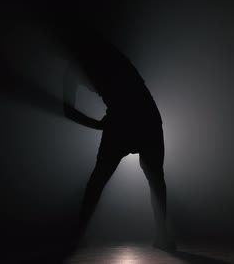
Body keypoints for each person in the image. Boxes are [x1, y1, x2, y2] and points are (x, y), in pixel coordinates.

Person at [59, 27, 176, 251]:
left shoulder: (82, 65)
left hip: (132, 119)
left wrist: (100, 125)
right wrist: (102, 124)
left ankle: (78, 234)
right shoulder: (99, 58)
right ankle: (162, 235)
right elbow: (69, 110)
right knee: (154, 179)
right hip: (143, 116)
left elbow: (68, 110)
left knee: (100, 179)